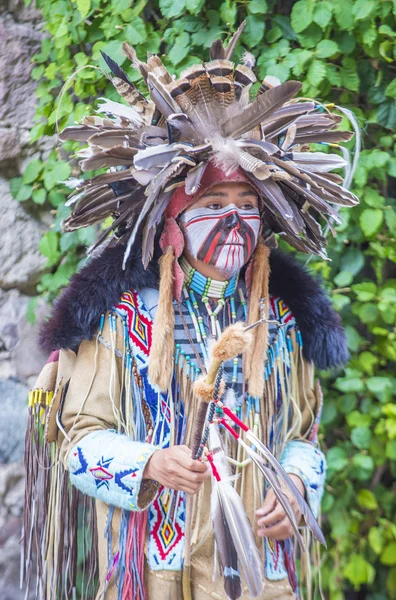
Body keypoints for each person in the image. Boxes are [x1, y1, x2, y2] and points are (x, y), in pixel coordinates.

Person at [23, 22, 359, 600]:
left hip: (258, 563)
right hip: (156, 563)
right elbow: (75, 442)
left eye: (247, 204)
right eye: (213, 203)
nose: (235, 220)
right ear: (170, 227)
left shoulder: (279, 322)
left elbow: (304, 432)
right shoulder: (124, 322)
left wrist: (297, 486)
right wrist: (149, 464)